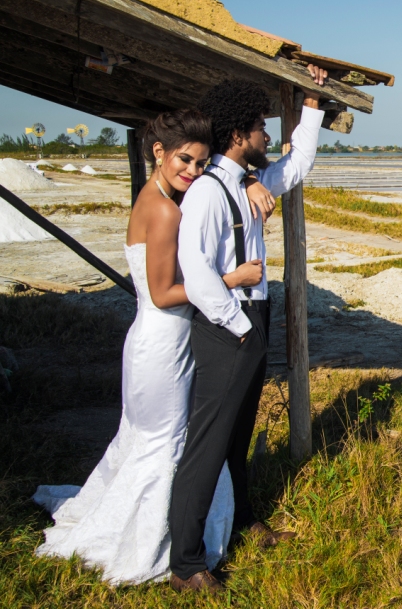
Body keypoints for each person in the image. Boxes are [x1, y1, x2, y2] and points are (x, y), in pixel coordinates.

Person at [32, 110, 273, 585]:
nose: (193, 171)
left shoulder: (159, 195)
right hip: (163, 342)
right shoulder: (164, 210)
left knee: (157, 440)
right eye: (185, 160)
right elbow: (164, 292)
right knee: (164, 444)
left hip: (161, 337)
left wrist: (245, 180)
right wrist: (231, 279)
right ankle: (155, 546)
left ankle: (172, 534)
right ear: (158, 153)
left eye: (202, 163)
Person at [167, 64, 327, 593]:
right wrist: (240, 328)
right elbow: (197, 274)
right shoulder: (209, 193)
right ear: (238, 135)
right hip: (226, 324)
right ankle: (186, 564)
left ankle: (241, 520)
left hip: (251, 317)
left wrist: (311, 104)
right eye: (260, 126)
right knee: (206, 447)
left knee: (236, 439)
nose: (266, 134)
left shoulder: (247, 182)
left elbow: (298, 163)